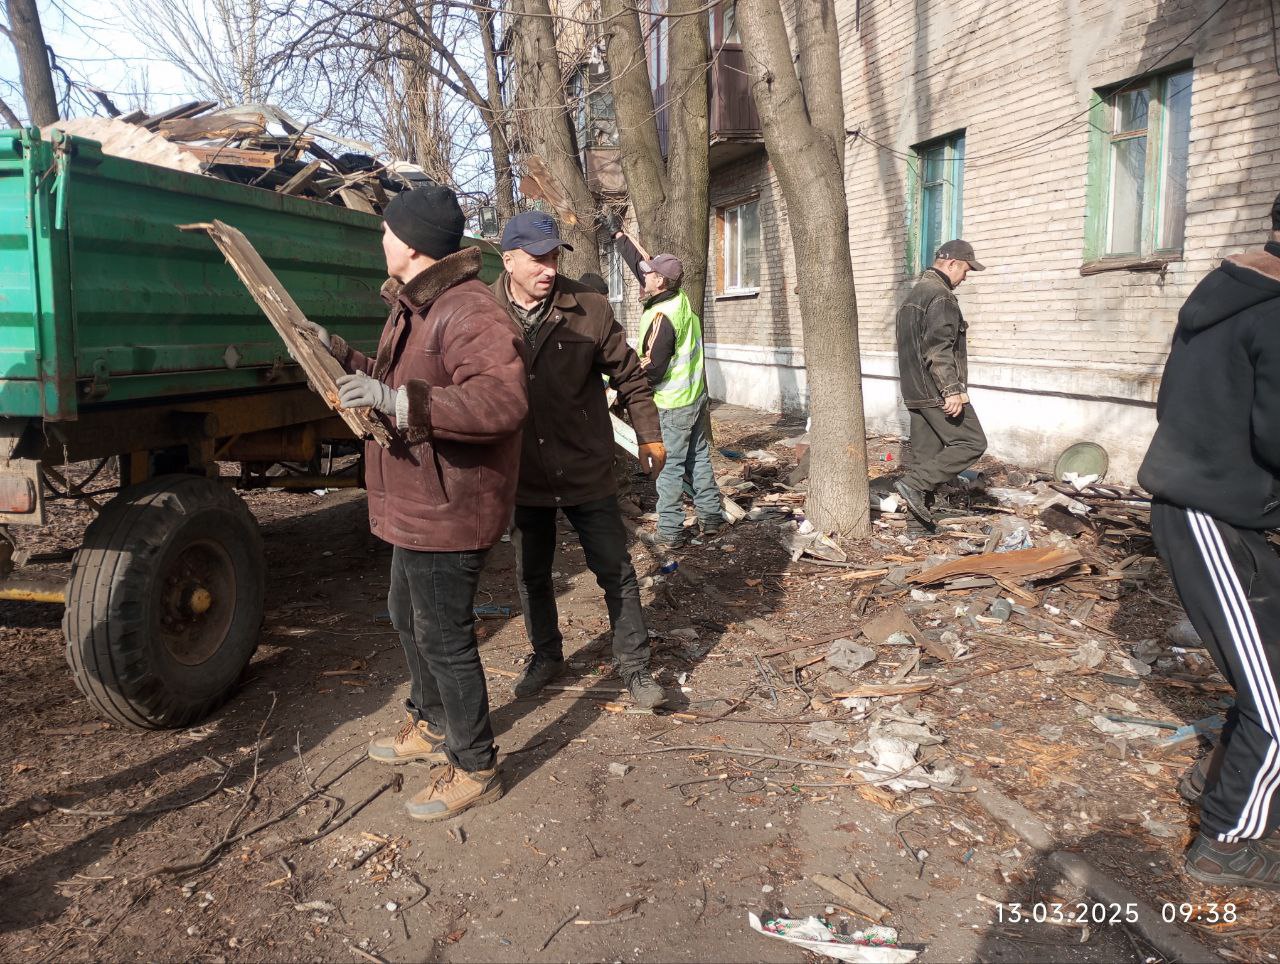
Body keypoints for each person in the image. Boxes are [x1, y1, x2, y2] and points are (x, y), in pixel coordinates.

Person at [305, 184, 528, 822]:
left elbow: (502, 402)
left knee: (444, 638)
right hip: (418, 500)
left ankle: (475, 763)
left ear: (411, 244)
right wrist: (338, 354)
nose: (381, 240)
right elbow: (392, 384)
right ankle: (431, 725)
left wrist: (400, 402)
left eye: (385, 231)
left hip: (451, 506)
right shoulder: (416, 307)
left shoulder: (468, 310)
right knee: (406, 615)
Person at [1138, 195, 1280, 889]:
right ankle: (1228, 842)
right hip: (1212, 515)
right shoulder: (1275, 311)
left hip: (1209, 508)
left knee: (1268, 669)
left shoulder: (1224, 297)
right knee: (1278, 697)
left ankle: (1213, 780)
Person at [492, 211, 669, 708]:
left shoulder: (588, 306)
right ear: (508, 259)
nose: (548, 268)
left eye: (553, 256)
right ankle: (547, 657)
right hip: (523, 470)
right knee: (532, 573)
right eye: (536, 258)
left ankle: (635, 669)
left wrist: (648, 437)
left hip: (585, 466)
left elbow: (631, 378)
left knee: (615, 570)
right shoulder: (482, 310)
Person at [613, 230, 724, 548]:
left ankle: (671, 532)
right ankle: (711, 519)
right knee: (699, 458)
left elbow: (654, 367)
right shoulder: (679, 299)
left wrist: (624, 389)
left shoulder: (663, 316)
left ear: (660, 281)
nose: (642, 278)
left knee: (669, 466)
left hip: (673, 403)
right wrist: (619, 238)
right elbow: (643, 267)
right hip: (695, 398)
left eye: (648, 276)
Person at [893, 239, 988, 528]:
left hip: (914, 390)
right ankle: (912, 483)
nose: (966, 276)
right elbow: (938, 349)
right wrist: (953, 390)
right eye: (966, 269)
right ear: (951, 264)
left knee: (926, 456)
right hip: (936, 391)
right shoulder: (941, 296)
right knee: (972, 442)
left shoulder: (913, 297)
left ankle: (918, 527)